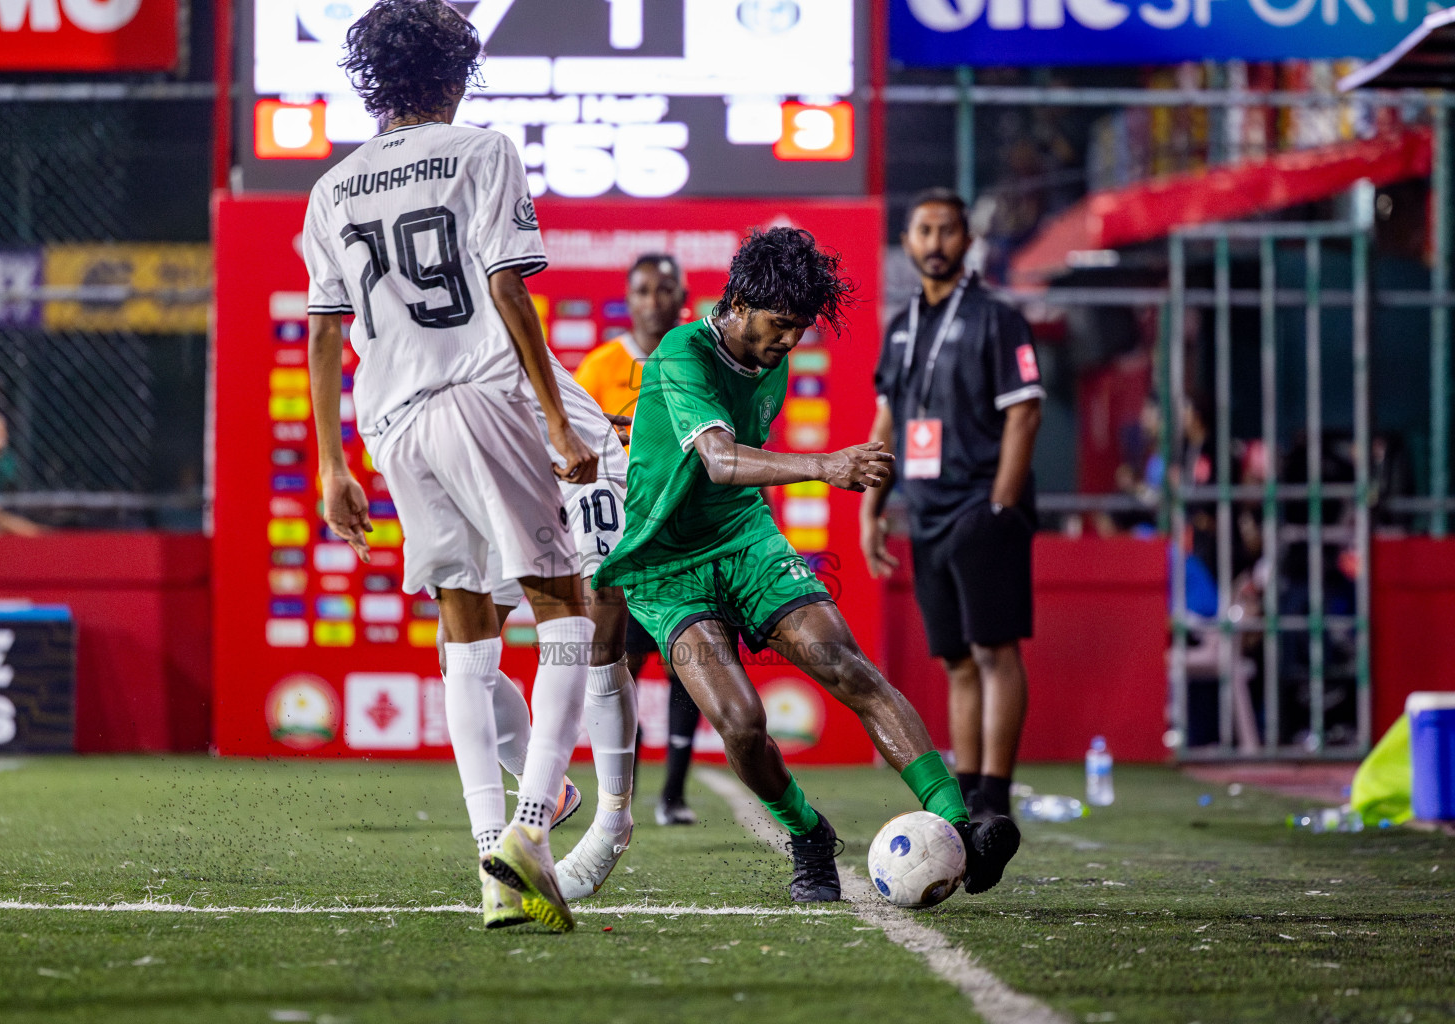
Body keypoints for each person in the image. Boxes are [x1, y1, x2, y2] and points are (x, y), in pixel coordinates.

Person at [304, 0, 634, 934]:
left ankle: (492, 867)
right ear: (456, 74)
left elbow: (325, 336)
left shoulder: (331, 191)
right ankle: (532, 828)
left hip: (391, 423)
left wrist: (331, 464)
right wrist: (560, 430)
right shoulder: (482, 151)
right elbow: (504, 288)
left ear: (375, 80)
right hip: (482, 394)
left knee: (465, 626)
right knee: (564, 600)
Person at [593, 227, 1021, 903]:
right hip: (663, 564)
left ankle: (959, 826)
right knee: (740, 722)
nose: (791, 342)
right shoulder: (681, 353)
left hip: (742, 539)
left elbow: (735, 483)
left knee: (844, 663)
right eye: (780, 325)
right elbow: (721, 460)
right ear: (737, 302)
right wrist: (826, 464)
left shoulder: (771, 358)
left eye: (799, 328)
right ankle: (808, 834)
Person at [859, 188, 1044, 822]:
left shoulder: (998, 317)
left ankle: (996, 791)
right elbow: (887, 418)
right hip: (926, 511)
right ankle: (968, 790)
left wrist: (999, 507)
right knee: (957, 659)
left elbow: (1025, 412)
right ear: (907, 242)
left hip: (981, 508)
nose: (935, 243)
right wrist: (872, 507)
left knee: (995, 650)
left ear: (967, 242)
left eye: (947, 231)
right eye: (924, 231)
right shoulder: (902, 325)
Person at [573, 253, 705, 826]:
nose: (654, 301)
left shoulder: (698, 359)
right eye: (644, 291)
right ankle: (618, 796)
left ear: (682, 297)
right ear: (629, 300)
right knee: (617, 666)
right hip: (620, 546)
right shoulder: (599, 367)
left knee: (690, 661)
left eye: (665, 289)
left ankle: (673, 797)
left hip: (684, 538)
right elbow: (569, 453)